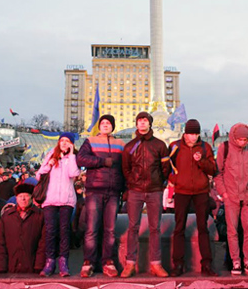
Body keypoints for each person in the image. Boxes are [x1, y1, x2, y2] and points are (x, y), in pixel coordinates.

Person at [121, 111, 171, 278]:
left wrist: (159, 182)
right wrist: (132, 182)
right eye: (140, 121)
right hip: (135, 191)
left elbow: (165, 168)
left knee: (155, 228)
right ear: (136, 124)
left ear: (150, 124)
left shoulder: (159, 145)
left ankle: (156, 264)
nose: (142, 123)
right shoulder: (129, 146)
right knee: (133, 227)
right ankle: (130, 263)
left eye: (145, 120)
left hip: (154, 190)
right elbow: (126, 168)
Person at [76, 114, 125, 278]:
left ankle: (107, 261)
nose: (105, 125)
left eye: (108, 123)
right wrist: (102, 162)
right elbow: (80, 159)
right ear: (99, 126)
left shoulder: (120, 144)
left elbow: (125, 167)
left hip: (113, 191)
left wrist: (124, 188)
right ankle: (88, 262)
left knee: (110, 230)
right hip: (95, 190)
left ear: (113, 126)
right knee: (91, 228)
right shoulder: (91, 141)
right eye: (102, 122)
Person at [167, 119, 217, 277]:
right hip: (181, 191)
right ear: (185, 133)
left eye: (196, 134)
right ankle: (178, 264)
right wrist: (175, 180)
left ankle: (207, 264)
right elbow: (166, 166)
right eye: (191, 133)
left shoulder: (205, 147)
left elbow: (213, 169)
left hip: (201, 192)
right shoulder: (174, 146)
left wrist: (201, 160)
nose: (194, 137)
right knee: (179, 228)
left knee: (203, 228)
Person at [215, 123, 248, 275]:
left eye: (245, 140)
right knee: (232, 230)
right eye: (240, 140)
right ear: (234, 138)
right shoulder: (225, 148)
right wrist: (224, 193)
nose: (242, 142)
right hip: (231, 196)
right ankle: (235, 261)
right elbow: (218, 172)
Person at [37, 133, 81, 277]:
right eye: (62, 140)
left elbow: (73, 173)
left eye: (67, 141)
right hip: (50, 199)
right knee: (50, 231)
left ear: (71, 144)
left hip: (66, 200)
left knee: (64, 231)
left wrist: (71, 155)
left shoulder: (73, 157)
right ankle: (49, 262)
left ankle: (63, 262)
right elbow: (39, 175)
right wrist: (49, 164)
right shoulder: (51, 154)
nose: (64, 143)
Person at [0, 182, 46, 273]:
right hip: (10, 266)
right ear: (16, 198)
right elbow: (0, 243)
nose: (23, 199)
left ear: (32, 197)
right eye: (20, 196)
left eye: (26, 196)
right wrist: (1, 267)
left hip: (32, 266)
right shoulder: (7, 216)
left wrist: (39, 265)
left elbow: (43, 244)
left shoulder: (40, 216)